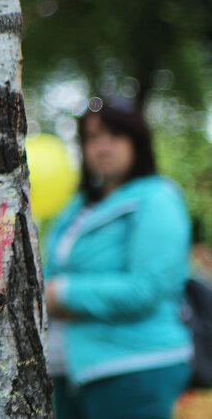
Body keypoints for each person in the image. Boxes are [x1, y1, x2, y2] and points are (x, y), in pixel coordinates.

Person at [44, 95, 193, 419]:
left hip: (136, 364)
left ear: (137, 141)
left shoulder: (158, 199)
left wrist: (61, 295)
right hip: (69, 370)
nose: (103, 146)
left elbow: (147, 288)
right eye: (93, 137)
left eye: (115, 135)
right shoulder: (79, 207)